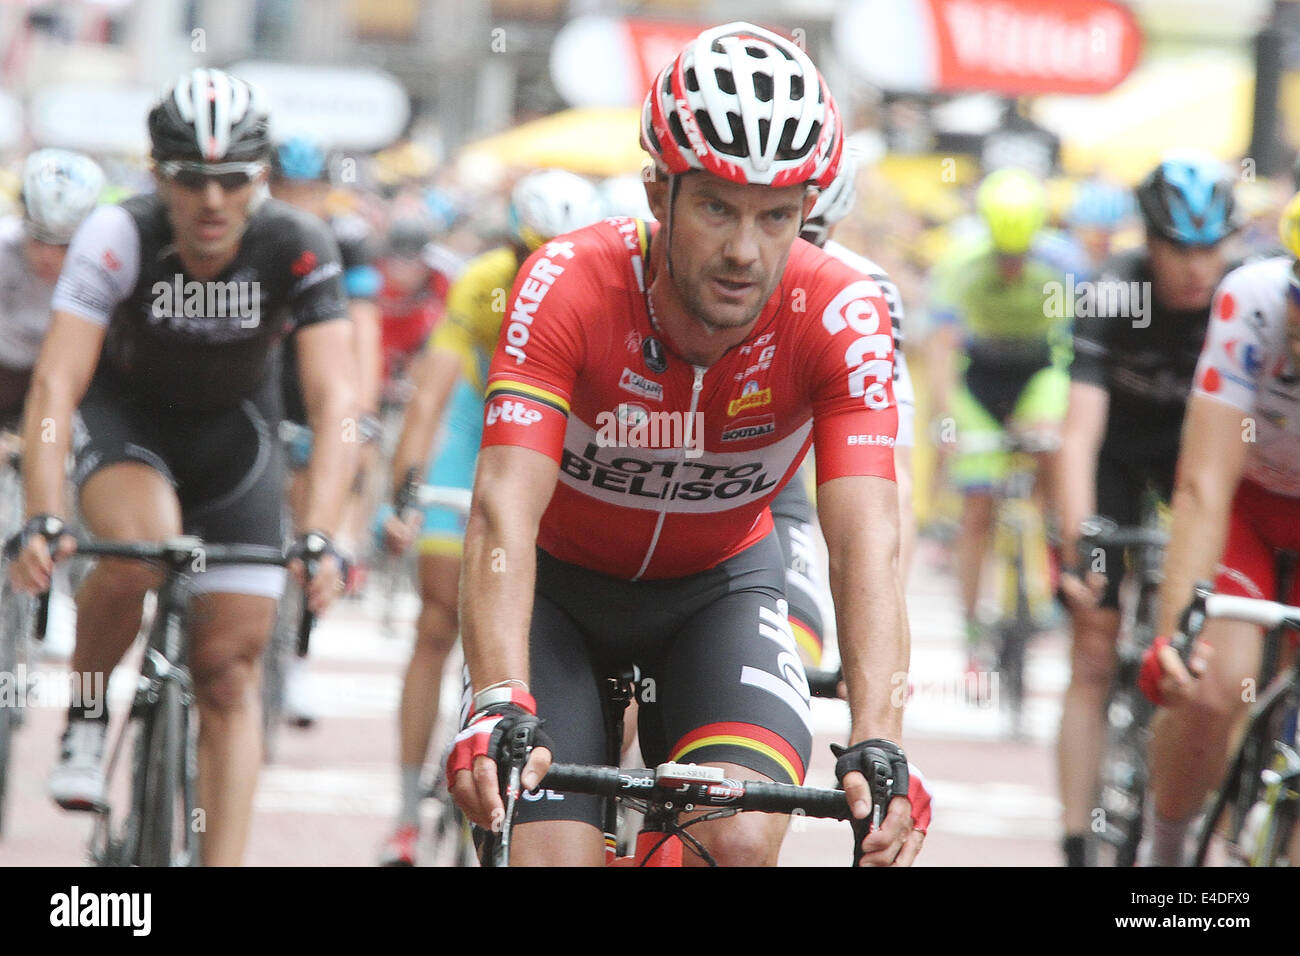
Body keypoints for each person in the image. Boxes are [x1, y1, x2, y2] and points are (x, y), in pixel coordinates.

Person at [446, 21, 929, 867]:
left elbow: (867, 542)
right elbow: (501, 513)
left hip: (718, 596)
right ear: (657, 191)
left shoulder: (839, 313)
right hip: (558, 599)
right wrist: (495, 696)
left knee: (736, 844)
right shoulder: (568, 284)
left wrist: (880, 740)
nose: (746, 250)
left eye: (777, 216)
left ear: (809, 211)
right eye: (716, 208)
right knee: (552, 859)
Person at [7, 68, 356, 866]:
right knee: (138, 550)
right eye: (191, 178)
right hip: (127, 425)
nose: (212, 200)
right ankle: (89, 714)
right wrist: (43, 512)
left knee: (230, 674)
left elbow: (339, 401)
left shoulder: (296, 245)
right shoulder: (117, 233)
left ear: (261, 178)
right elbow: (58, 380)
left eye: (233, 179)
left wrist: (324, 532)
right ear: (158, 174)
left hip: (237, 444)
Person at [376, 168, 604, 865]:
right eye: (529, 253)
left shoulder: (605, 292)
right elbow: (430, 396)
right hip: (481, 436)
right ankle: (407, 807)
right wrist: (404, 493)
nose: (544, 270)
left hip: (564, 445)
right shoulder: (482, 284)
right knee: (436, 620)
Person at [1053, 153, 1237, 866]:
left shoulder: (1237, 298)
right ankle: (1075, 835)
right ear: (1149, 243)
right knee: (1094, 648)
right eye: (1178, 249)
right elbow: (1078, 435)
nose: (1197, 267)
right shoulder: (1111, 293)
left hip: (1198, 458)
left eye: (1210, 248)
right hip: (1116, 459)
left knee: (1195, 643)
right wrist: (1081, 545)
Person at [1134, 190, 1300, 867]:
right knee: (1212, 683)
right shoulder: (1252, 301)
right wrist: (1177, 632)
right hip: (1246, 506)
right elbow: (1203, 485)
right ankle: (1167, 860)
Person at [927, 167, 1072, 672]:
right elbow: (942, 352)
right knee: (978, 505)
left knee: (1056, 449)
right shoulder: (960, 264)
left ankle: (1056, 559)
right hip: (980, 379)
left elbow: (1074, 352)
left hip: (1036, 372)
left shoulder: (1060, 263)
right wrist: (950, 421)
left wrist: (1061, 425)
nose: (1012, 267)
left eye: (1021, 255)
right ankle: (971, 623)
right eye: (1003, 256)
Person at [269, 135, 385, 724]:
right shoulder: (257, 232)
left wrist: (360, 412)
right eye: (285, 191)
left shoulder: (346, 240)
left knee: (312, 516)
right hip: (262, 381)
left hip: (321, 383)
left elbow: (363, 328)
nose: (297, 203)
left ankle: (297, 659)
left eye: (308, 192)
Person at [0, 149, 105, 427]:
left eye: (64, 245)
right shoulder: (3, 248)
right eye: (38, 238)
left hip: (59, 376)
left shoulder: (98, 261)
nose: (47, 255)